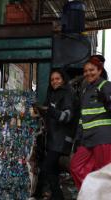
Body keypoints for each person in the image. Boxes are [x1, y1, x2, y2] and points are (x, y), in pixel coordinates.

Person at [70, 55, 111, 190]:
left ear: (99, 70)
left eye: (91, 70)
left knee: (104, 173)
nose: (88, 73)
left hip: (104, 138)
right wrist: (78, 139)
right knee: (75, 166)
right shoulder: (86, 90)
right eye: (85, 71)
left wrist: (105, 99)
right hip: (88, 139)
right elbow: (83, 117)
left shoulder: (108, 86)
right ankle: (92, 192)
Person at [31, 69, 75, 200]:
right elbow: (47, 114)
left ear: (63, 79)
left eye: (57, 79)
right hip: (52, 139)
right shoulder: (52, 94)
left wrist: (50, 111)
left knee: (46, 168)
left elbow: (66, 117)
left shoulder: (67, 94)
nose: (54, 81)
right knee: (52, 170)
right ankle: (55, 196)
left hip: (61, 139)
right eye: (52, 80)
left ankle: (57, 196)